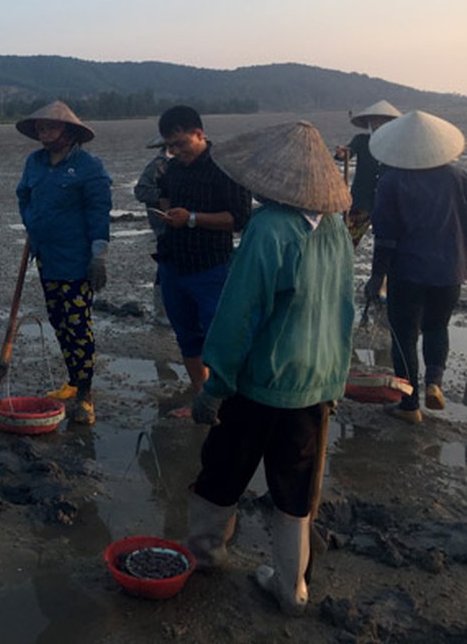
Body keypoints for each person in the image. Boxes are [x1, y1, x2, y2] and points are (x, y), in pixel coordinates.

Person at [185, 120, 355, 616]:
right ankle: (291, 587)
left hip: (262, 382)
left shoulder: (269, 228)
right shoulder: (337, 228)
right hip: (316, 383)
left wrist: (215, 384)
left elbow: (240, 312)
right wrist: (336, 376)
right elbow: (341, 309)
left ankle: (207, 554)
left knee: (223, 466)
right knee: (295, 487)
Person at [365, 110, 467, 423]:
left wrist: (376, 277)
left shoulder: (392, 180)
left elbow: (385, 237)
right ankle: (434, 381)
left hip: (407, 272)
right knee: (437, 325)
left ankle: (409, 406)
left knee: (404, 335)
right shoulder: (459, 177)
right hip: (449, 271)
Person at [15, 101, 112, 425]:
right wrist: (33, 224)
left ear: (68, 131)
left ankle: (85, 394)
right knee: (59, 321)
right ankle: (73, 381)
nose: (44, 132)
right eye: (41, 127)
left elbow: (98, 212)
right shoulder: (35, 163)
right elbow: (23, 196)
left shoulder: (89, 167)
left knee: (78, 327)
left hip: (76, 261)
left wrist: (98, 254)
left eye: (51, 127)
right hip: (46, 258)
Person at [155, 105, 251, 410]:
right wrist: (168, 212)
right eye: (170, 146)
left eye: (181, 143)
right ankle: (201, 396)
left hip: (211, 266)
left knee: (219, 337)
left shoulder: (225, 167)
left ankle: (226, 400)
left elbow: (239, 218)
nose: (176, 151)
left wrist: (192, 218)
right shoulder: (173, 168)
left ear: (200, 134)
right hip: (173, 264)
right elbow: (165, 193)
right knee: (185, 335)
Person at [334, 99, 402, 247]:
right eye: (375, 120)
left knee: (387, 243)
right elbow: (347, 153)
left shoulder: (397, 144)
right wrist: (342, 153)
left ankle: (381, 270)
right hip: (362, 200)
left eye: (384, 121)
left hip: (387, 201)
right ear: (369, 122)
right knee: (346, 242)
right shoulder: (361, 141)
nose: (379, 124)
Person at [133, 133, 173, 325]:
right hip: (164, 223)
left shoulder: (189, 164)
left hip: (182, 223)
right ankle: (161, 313)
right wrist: (164, 196)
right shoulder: (158, 165)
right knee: (166, 264)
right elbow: (140, 191)